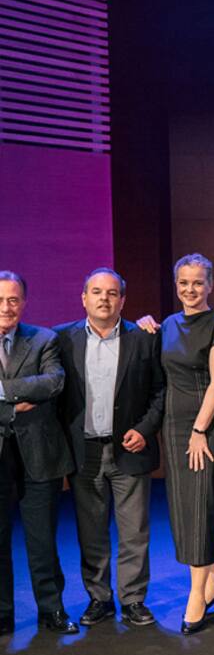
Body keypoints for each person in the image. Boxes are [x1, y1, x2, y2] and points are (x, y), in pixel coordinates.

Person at [56, 268, 165, 628]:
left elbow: (160, 392)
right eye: (97, 292)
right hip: (84, 451)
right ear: (84, 298)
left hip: (130, 449)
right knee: (91, 532)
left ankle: (133, 599)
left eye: (112, 292)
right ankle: (99, 598)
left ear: (123, 300)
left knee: (135, 532)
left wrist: (145, 430)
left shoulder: (144, 338)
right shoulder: (62, 339)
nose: (104, 298)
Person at [159, 254, 214, 634]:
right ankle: (213, 584)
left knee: (202, 507)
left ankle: (196, 595)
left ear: (210, 285)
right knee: (185, 509)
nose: (191, 289)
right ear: (177, 285)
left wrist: (200, 429)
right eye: (184, 282)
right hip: (173, 428)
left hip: (204, 428)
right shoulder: (169, 324)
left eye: (198, 282)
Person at [0, 270, 76, 635]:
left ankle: (51, 609)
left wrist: (3, 391)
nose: (6, 307)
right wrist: (14, 407)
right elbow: (37, 388)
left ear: (24, 303)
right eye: (0, 300)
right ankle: (2, 614)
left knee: (42, 539)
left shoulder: (43, 338)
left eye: (13, 300)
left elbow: (54, 382)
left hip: (40, 454)